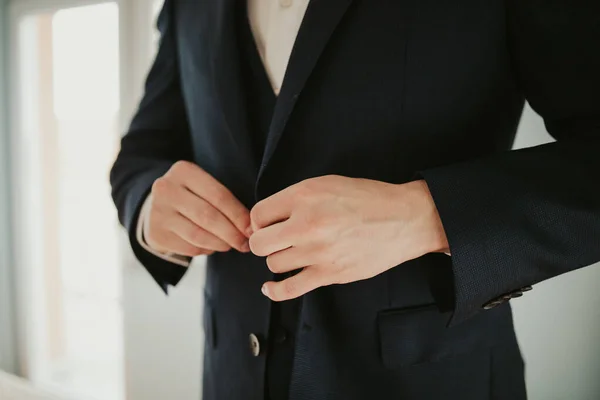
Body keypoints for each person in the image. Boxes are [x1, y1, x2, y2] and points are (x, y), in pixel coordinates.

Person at [109, 1, 600, 399]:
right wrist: (151, 208)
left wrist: (425, 215)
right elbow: (144, 153)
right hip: (230, 376)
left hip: (428, 379)